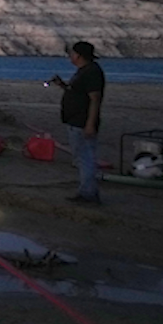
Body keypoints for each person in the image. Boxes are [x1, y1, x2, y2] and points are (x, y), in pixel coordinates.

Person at [49, 41, 105, 204]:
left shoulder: (92, 72)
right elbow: (77, 92)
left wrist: (90, 124)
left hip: (82, 122)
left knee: (85, 157)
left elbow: (95, 99)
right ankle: (86, 191)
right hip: (75, 120)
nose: (70, 56)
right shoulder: (83, 72)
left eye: (72, 53)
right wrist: (62, 85)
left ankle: (89, 194)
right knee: (81, 158)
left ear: (79, 55)